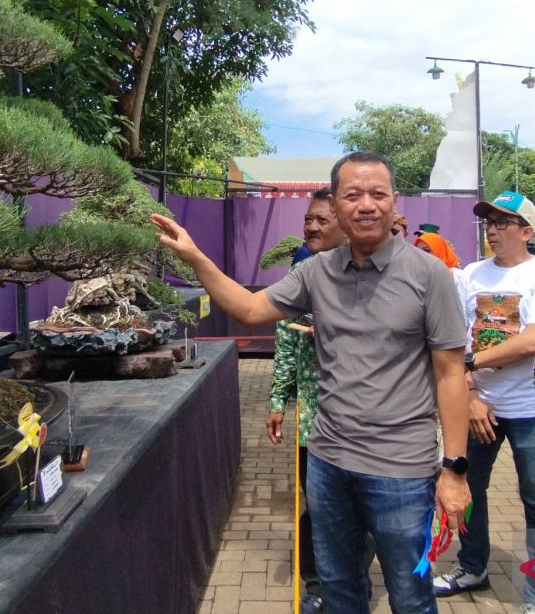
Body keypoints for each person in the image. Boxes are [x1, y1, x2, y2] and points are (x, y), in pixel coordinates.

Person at [153, 150, 471, 614]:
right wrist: (195, 256)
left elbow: (450, 375)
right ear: (338, 205)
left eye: (378, 194)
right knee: (340, 591)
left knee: (410, 594)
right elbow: (247, 308)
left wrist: (454, 469)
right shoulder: (316, 272)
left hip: (401, 469)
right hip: (328, 464)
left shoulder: (429, 275)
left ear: (395, 203)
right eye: (354, 195)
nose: (367, 205)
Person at [433, 191, 535, 614]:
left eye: (504, 222)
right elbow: (454, 338)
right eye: (489, 221)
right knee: (465, 489)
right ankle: (472, 568)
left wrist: (470, 362)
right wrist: (469, 393)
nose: (493, 229)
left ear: (527, 230)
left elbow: (531, 341)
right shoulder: (471, 274)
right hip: (477, 407)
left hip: (532, 410)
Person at [265, 188, 347, 604]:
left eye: (322, 220)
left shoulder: (365, 279)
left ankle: (347, 582)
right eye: (308, 220)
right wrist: (278, 402)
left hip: (361, 425)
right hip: (312, 425)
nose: (312, 227)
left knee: (357, 513)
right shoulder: (300, 277)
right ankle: (315, 583)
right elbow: (285, 346)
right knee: (316, 506)